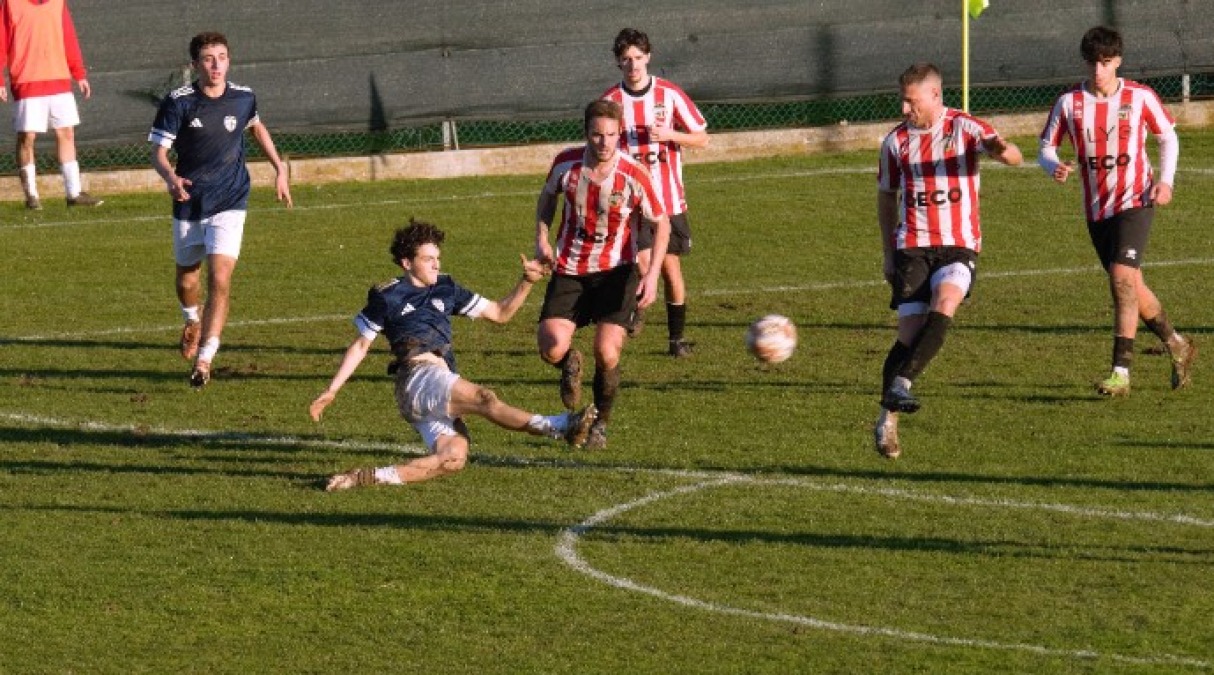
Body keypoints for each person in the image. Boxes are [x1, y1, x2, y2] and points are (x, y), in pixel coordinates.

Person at [309, 219, 598, 491]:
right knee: (484, 398)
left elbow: (499, 313)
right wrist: (331, 390)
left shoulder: (446, 288)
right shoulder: (388, 296)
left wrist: (527, 282)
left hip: (436, 383)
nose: (436, 264)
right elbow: (361, 345)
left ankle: (366, 477)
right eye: (428, 259)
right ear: (407, 263)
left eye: (438, 257)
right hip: (417, 377)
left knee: (453, 459)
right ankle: (560, 426)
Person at [1038, 26, 1197, 398]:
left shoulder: (1139, 97)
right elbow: (1046, 147)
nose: (1098, 71)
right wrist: (1054, 166)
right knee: (1133, 286)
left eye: (1106, 63)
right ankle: (1177, 344)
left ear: (1118, 63)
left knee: (1122, 278)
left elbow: (1167, 136)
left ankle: (1120, 372)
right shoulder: (1069, 103)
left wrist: (1167, 181)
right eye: (1093, 63)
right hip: (1097, 209)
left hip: (1136, 199)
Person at [874, 63, 1022, 459]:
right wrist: (889, 253)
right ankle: (887, 422)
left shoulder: (966, 128)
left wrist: (1000, 149)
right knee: (908, 334)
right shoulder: (895, 143)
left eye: (912, 101)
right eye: (903, 101)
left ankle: (902, 383)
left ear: (935, 95)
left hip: (959, 244)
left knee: (946, 303)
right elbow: (887, 197)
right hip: (913, 246)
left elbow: (1014, 157)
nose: (906, 109)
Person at [149, 31, 293, 388]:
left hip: (230, 199)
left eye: (222, 57)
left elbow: (256, 126)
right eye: (209, 59)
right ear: (196, 64)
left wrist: (280, 167)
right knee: (188, 278)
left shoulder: (244, 98)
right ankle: (191, 319)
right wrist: (170, 177)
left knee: (221, 278)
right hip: (190, 200)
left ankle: (205, 358)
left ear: (229, 60)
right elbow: (159, 153)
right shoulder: (178, 102)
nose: (216, 65)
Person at [534, 99, 670, 450]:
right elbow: (547, 198)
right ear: (586, 134)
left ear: (619, 134)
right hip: (569, 268)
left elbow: (661, 223)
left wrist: (652, 275)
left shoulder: (633, 172)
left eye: (611, 135)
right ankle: (569, 363)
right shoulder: (566, 163)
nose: (604, 142)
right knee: (550, 347)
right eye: (597, 135)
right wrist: (542, 239)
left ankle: (599, 425)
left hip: (616, 272)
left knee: (607, 352)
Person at [600, 27, 709, 357]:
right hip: (631, 202)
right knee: (644, 262)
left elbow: (702, 137)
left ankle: (676, 342)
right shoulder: (610, 102)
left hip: (669, 199)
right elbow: (600, 147)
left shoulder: (669, 94)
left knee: (671, 269)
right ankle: (636, 310)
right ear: (618, 64)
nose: (632, 65)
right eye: (625, 60)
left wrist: (670, 135)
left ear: (648, 57)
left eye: (637, 58)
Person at [0, 0, 102, 210]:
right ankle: (31, 195)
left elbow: (68, 37)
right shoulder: (9, 3)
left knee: (66, 133)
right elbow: (1, 40)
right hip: (26, 80)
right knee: (27, 137)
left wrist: (79, 74)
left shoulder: (57, 2)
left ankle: (73, 193)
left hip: (59, 80)